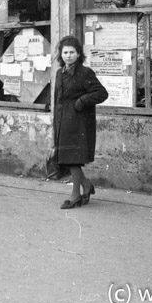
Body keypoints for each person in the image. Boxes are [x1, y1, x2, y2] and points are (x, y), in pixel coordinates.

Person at [53, 35, 108, 209]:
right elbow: (57, 99)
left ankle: (75, 196)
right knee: (68, 158)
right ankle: (86, 186)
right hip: (62, 121)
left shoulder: (85, 73)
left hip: (78, 122)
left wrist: (81, 101)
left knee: (72, 159)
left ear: (79, 54)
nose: (68, 55)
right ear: (61, 55)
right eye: (65, 52)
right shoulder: (59, 73)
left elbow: (101, 93)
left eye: (72, 52)